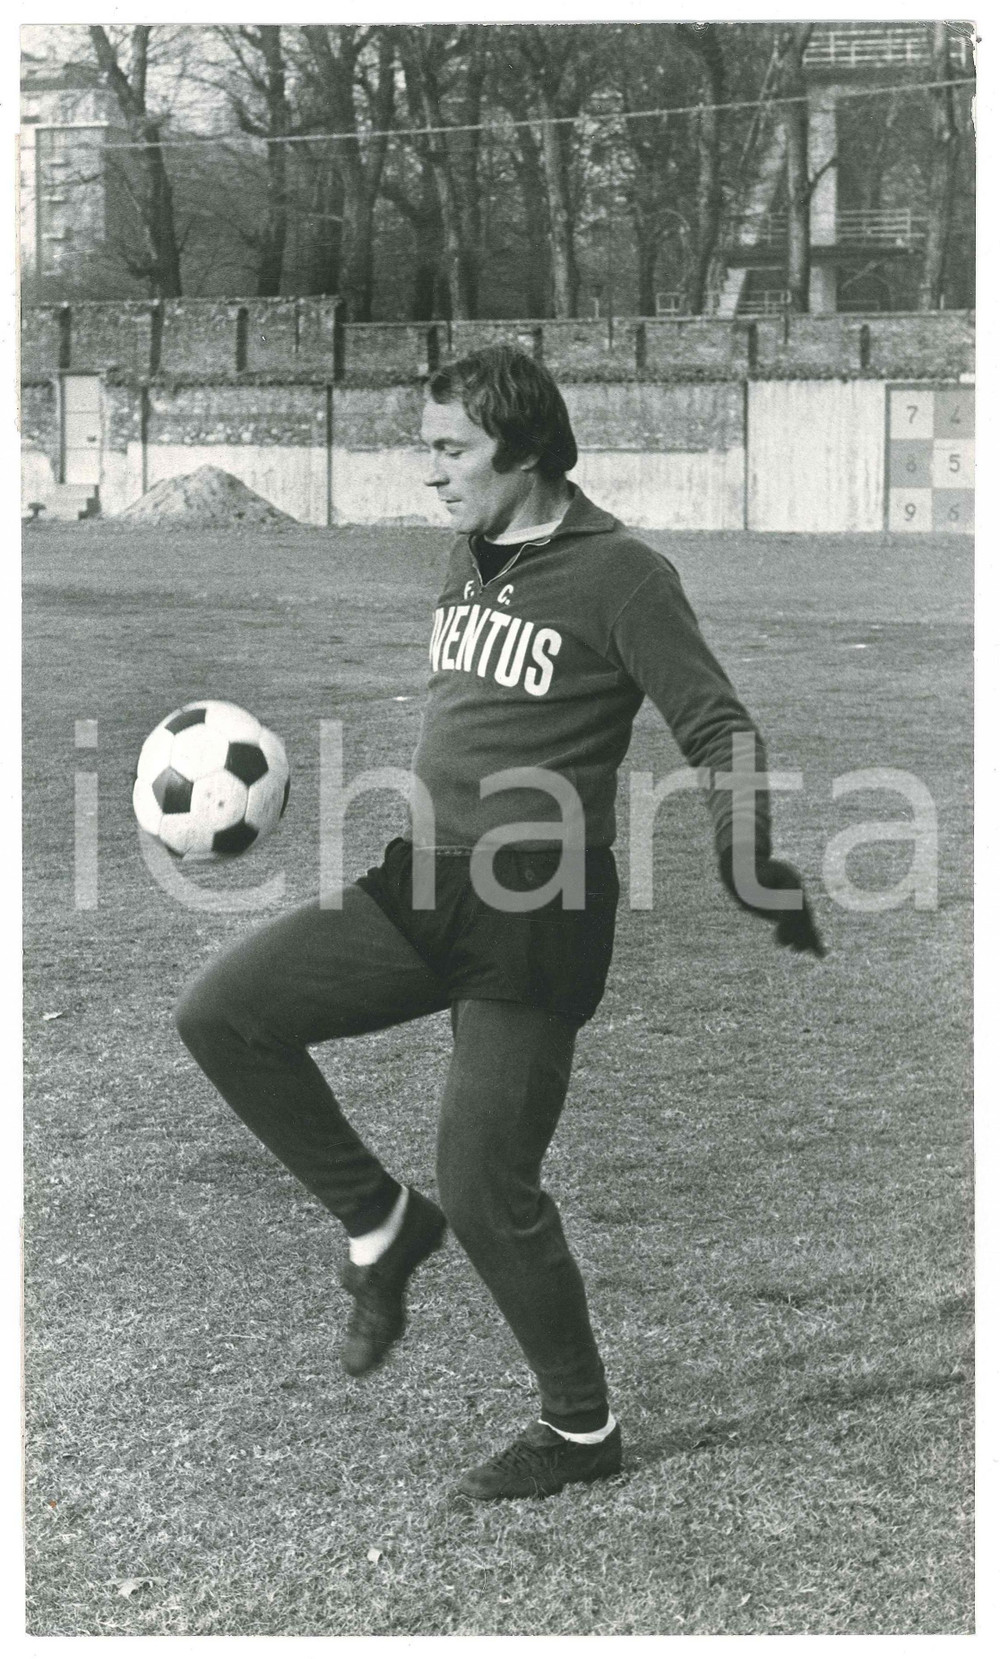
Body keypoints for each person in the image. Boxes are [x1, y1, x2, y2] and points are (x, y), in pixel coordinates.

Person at [175, 344, 824, 1502]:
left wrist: (746, 846)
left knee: (484, 1183)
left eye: (449, 450)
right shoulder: (469, 553)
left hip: (538, 910)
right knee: (224, 1013)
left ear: (522, 448)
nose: (430, 474)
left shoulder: (623, 574)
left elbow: (718, 727)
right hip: (422, 882)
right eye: (427, 449)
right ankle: (380, 1227)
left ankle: (581, 1432)